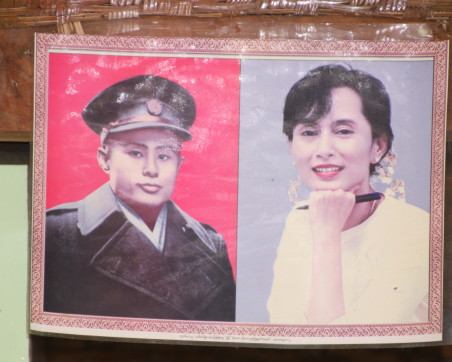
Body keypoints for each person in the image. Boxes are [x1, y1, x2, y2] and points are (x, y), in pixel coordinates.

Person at [44, 75, 236, 322]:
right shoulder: (58, 233)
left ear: (180, 163)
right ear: (104, 159)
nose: (152, 169)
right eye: (136, 153)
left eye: (165, 156)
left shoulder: (210, 244)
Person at [267, 64, 429, 325]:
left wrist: (327, 235)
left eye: (343, 131)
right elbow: (285, 330)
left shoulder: (418, 230)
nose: (323, 149)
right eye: (308, 132)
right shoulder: (298, 220)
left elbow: (331, 345)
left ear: (378, 146)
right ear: (291, 147)